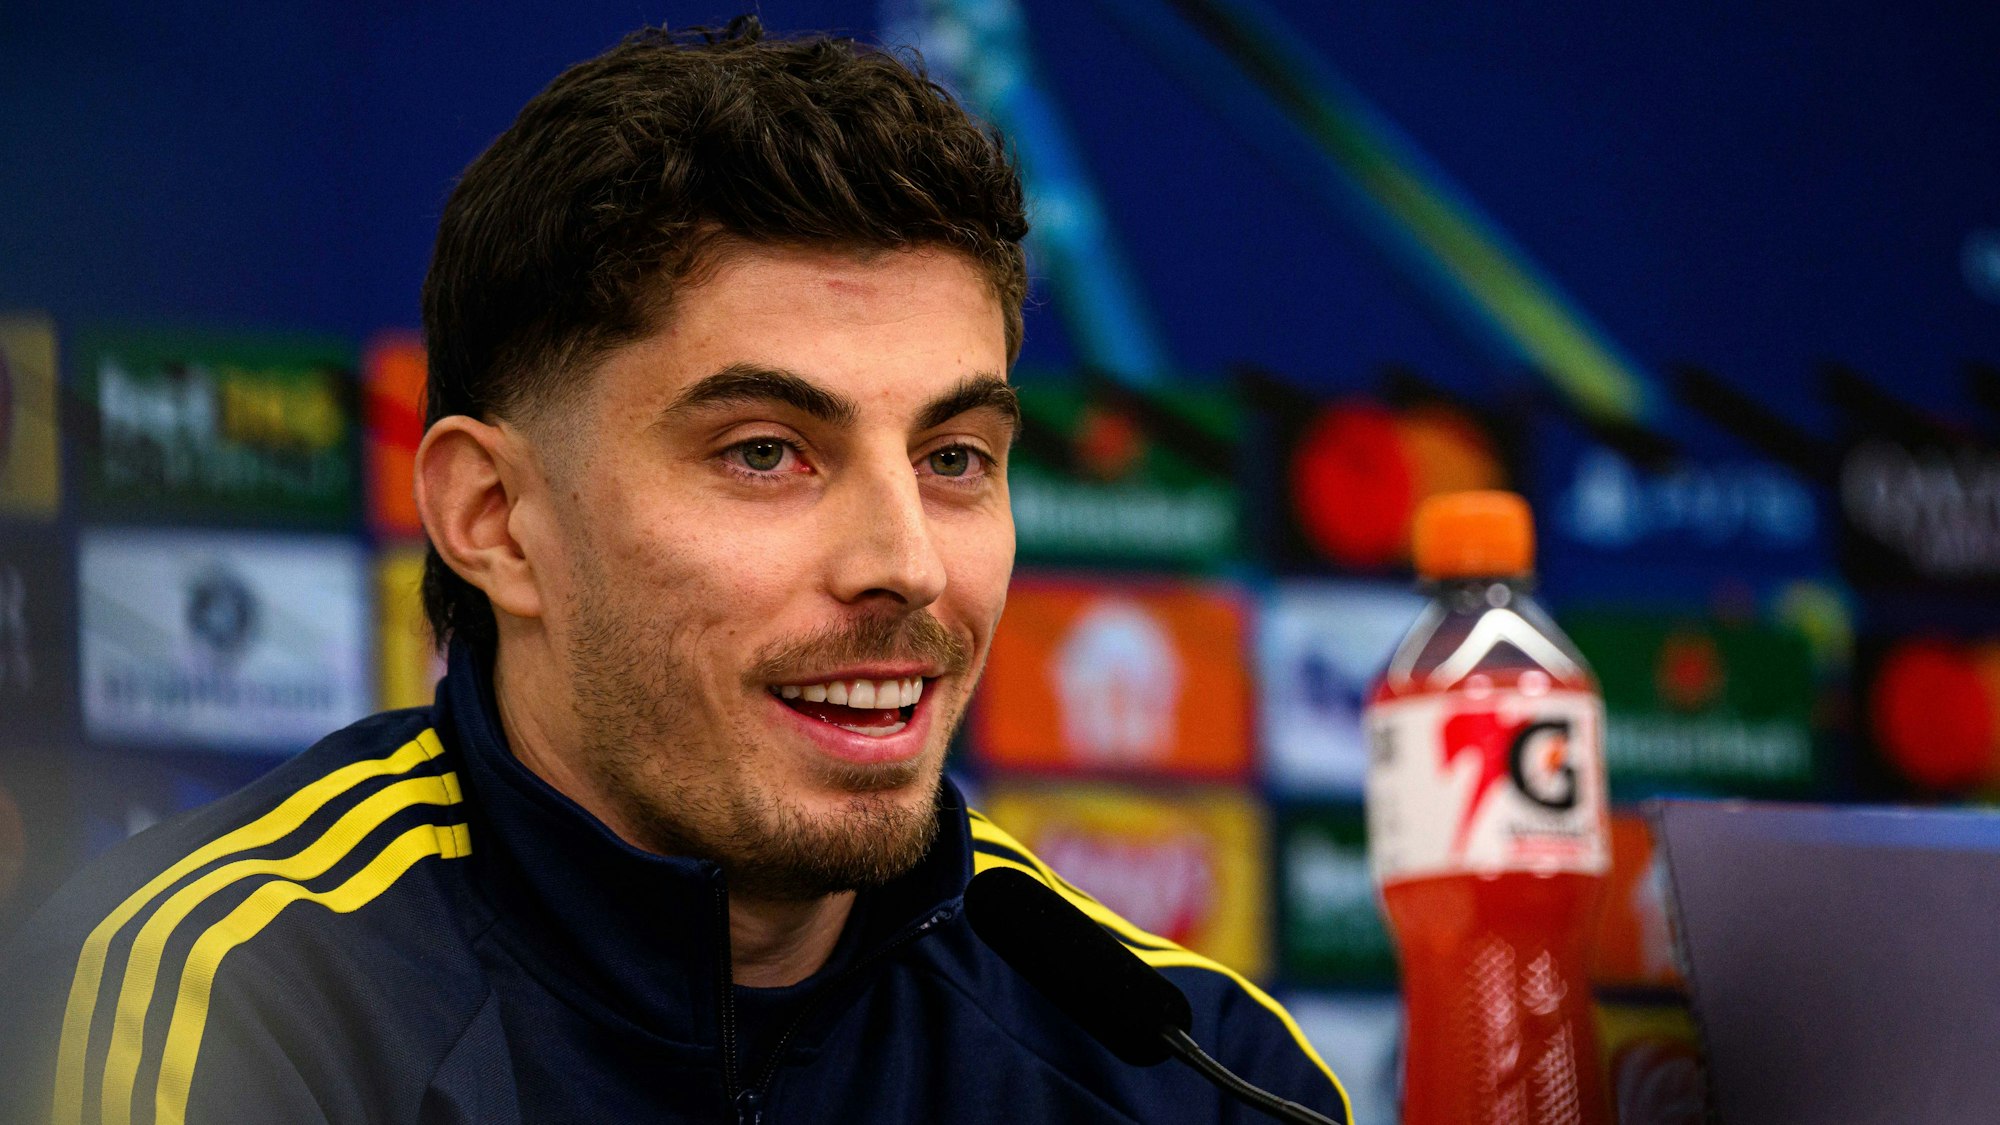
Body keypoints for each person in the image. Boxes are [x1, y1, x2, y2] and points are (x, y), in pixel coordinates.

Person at [0, 20, 1350, 1124]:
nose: (905, 566)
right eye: (767, 452)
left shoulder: (1189, 1068)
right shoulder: (228, 1003)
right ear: (495, 517)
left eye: (955, 456)